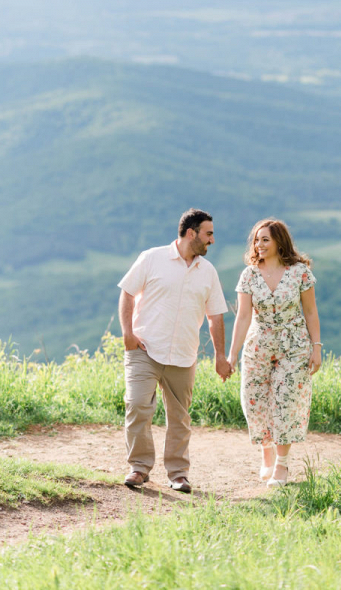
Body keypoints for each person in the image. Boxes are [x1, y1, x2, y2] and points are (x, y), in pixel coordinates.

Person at [118, 208, 231, 494]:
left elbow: (216, 316)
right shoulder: (152, 258)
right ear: (191, 233)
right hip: (144, 348)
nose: (212, 240)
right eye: (209, 234)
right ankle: (139, 468)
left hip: (183, 355)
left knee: (179, 417)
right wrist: (128, 335)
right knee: (137, 405)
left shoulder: (208, 272)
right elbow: (128, 293)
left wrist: (220, 356)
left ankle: (178, 474)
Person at [228, 218, 321, 487]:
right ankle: (266, 452)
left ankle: (282, 465)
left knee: (285, 401)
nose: (259, 244)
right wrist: (232, 354)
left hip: (294, 344)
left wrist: (317, 348)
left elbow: (311, 312)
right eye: (256, 240)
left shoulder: (300, 272)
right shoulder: (249, 274)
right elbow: (243, 317)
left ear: (279, 241)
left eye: (265, 239)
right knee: (254, 399)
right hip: (258, 344)